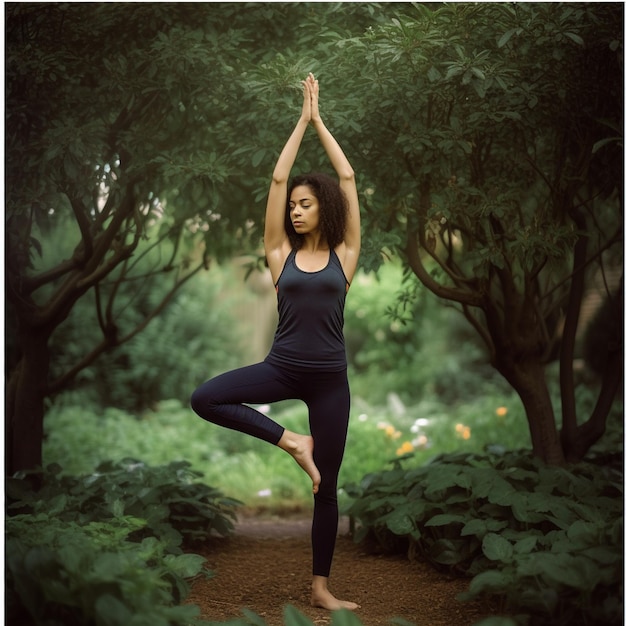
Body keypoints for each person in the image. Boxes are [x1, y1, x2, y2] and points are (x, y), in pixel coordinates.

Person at [191, 73, 360, 611]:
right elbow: (276, 179)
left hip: (330, 381)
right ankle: (291, 441)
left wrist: (321, 122)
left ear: (324, 209)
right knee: (206, 397)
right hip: (283, 367)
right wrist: (298, 122)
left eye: (306, 204)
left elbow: (350, 178)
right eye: (294, 205)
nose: (295, 209)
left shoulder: (346, 255)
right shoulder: (278, 255)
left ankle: (320, 588)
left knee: (326, 486)